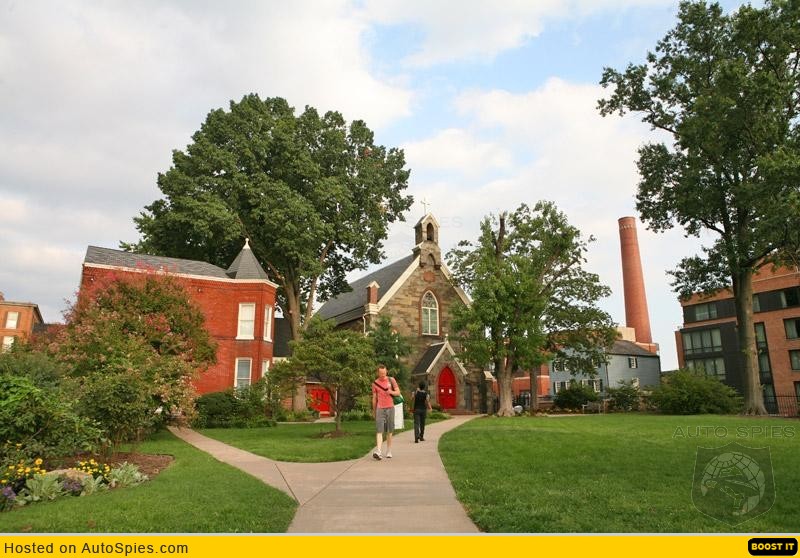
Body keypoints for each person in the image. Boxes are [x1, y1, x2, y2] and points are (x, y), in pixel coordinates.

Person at [371, 364, 400, 460]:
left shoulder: (391, 380)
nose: (383, 375)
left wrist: (391, 392)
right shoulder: (375, 383)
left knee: (389, 431)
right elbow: (374, 398)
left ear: (386, 371)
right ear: (378, 373)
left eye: (384, 373)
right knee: (379, 430)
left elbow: (398, 392)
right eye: (381, 373)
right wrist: (374, 411)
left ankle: (389, 450)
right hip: (380, 408)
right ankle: (378, 451)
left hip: (390, 408)